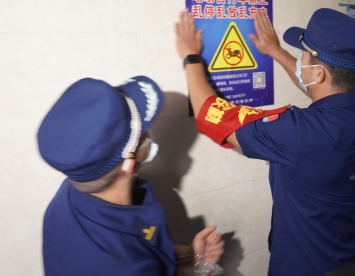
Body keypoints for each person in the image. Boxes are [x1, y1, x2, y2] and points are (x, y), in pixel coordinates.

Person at [175, 8, 355, 276]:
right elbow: (326, 94)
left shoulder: (296, 132)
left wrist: (190, 56)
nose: (300, 60)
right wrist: (276, 52)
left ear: (318, 73)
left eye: (303, 55)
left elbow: (209, 114)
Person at [37, 76, 224, 276]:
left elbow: (138, 235)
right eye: (142, 132)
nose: (148, 134)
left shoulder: (71, 192)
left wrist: (189, 253)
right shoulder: (125, 268)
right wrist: (203, 272)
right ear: (130, 164)